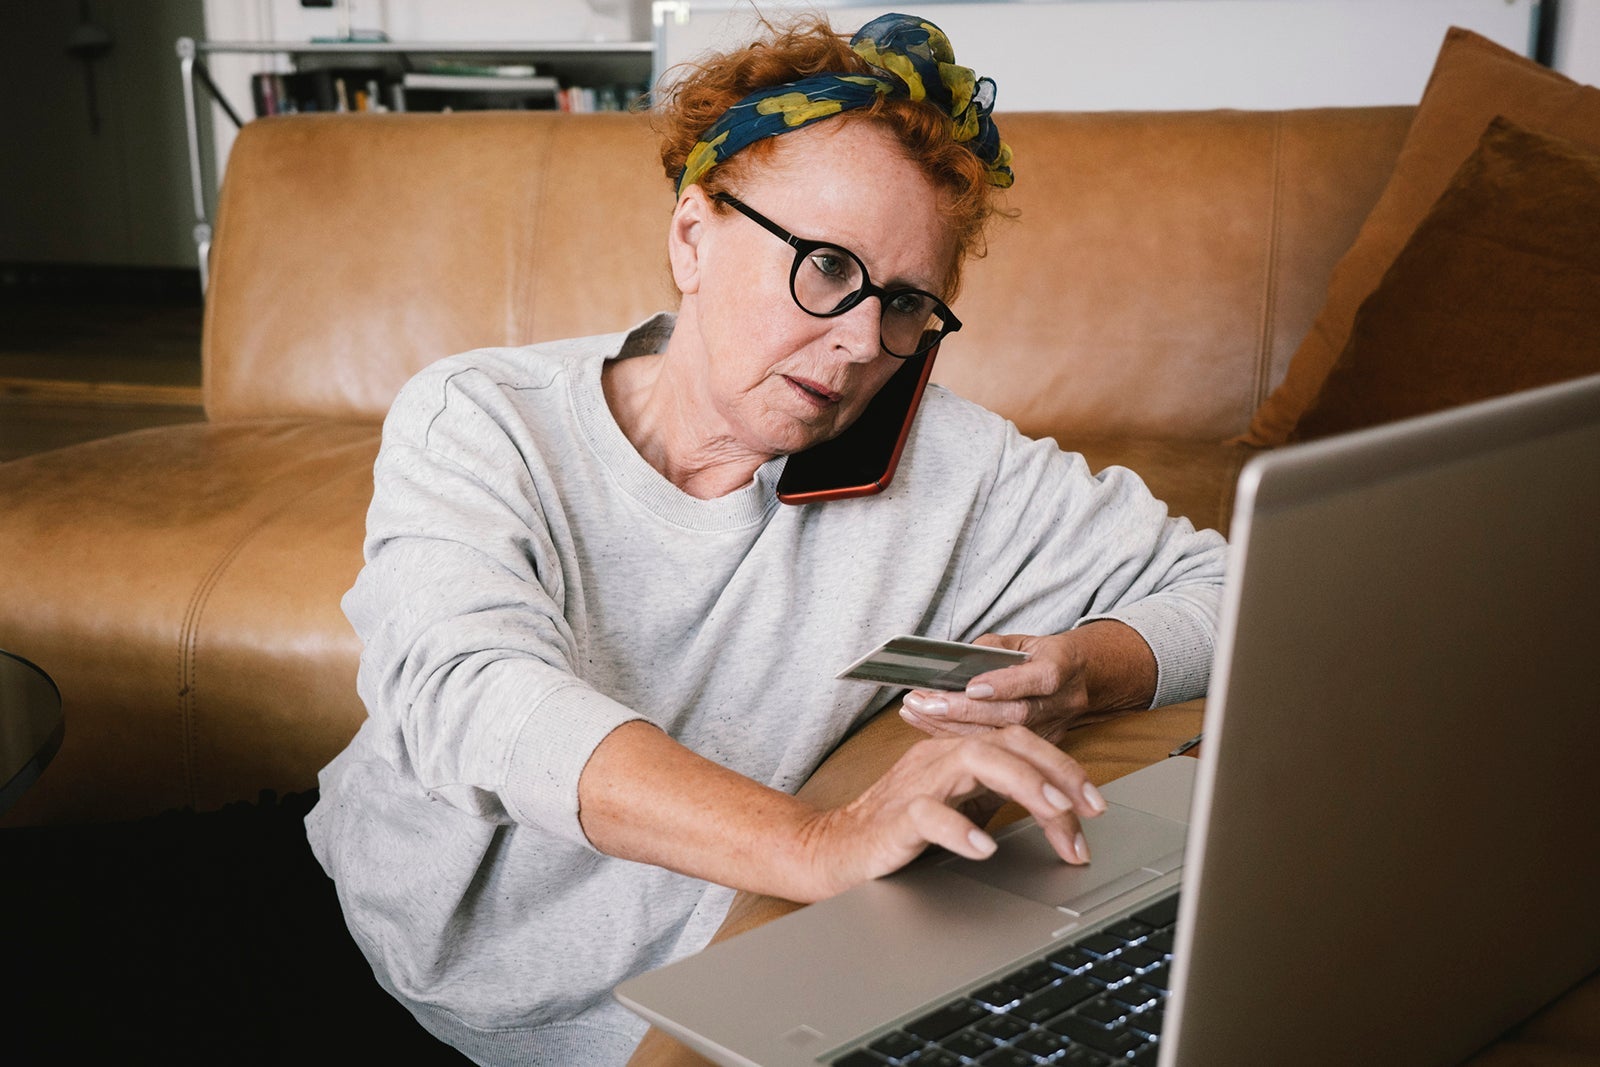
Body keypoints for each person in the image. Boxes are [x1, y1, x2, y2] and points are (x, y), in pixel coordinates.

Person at [306, 12, 1228, 1065]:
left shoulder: (955, 466)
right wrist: (821, 841)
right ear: (692, 235)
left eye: (905, 303)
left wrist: (1080, 670)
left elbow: (1228, 583)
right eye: (826, 265)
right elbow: (471, 692)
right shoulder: (483, 416)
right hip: (386, 959)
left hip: (678, 1023)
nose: (855, 342)